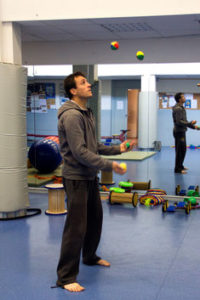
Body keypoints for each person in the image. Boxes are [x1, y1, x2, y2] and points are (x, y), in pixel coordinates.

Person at [56, 71, 134, 292]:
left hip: (89, 176)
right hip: (76, 178)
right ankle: (65, 277)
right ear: (73, 90)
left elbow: (93, 146)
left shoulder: (86, 113)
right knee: (76, 228)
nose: (89, 84)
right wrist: (110, 165)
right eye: (83, 83)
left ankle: (89, 257)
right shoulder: (71, 116)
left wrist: (117, 150)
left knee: (95, 220)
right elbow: (80, 152)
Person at [172, 92, 199, 174]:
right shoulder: (178, 109)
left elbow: (184, 121)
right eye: (183, 97)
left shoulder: (181, 108)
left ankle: (180, 166)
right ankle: (177, 169)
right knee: (180, 150)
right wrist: (191, 123)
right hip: (179, 132)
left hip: (181, 131)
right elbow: (179, 122)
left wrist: (194, 127)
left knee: (182, 150)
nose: (184, 98)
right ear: (179, 99)